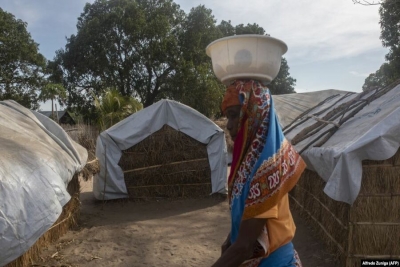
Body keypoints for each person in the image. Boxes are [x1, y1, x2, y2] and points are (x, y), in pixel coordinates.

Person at [211, 79, 306, 267]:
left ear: (252, 114)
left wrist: (233, 247)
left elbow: (245, 246)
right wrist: (230, 240)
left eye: (233, 116)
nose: (228, 125)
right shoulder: (248, 164)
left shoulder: (266, 169)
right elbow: (244, 227)